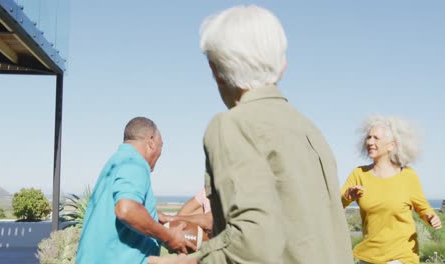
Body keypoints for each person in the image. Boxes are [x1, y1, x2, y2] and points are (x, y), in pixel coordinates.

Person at [149, 5, 353, 264]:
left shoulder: (232, 125)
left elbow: (253, 244)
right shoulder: (310, 130)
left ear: (215, 70)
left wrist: (189, 261)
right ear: (283, 66)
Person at [76, 117, 196, 264]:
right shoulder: (135, 163)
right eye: (161, 146)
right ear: (151, 142)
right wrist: (169, 237)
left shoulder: (119, 160)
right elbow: (126, 209)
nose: (160, 152)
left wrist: (153, 215)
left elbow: (119, 214)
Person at [341, 115, 442, 264]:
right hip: (369, 256)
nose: (370, 142)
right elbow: (337, 204)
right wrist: (347, 196)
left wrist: (431, 217)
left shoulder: (408, 176)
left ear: (391, 145)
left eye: (376, 138)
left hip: (401, 256)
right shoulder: (359, 174)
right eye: (368, 138)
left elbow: (423, 208)